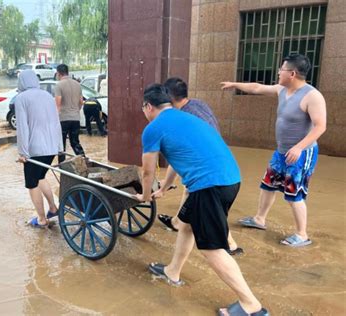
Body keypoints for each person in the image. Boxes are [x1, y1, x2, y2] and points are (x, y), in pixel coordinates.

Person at [136, 84, 268, 315]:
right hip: (230, 179)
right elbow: (180, 159)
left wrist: (145, 196)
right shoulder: (186, 117)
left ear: (148, 106)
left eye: (143, 109)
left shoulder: (153, 128)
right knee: (186, 225)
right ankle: (172, 271)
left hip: (209, 186)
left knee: (211, 248)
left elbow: (147, 172)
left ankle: (251, 305)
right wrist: (164, 189)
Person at [221, 54, 327, 247]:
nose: (278, 72)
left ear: (292, 73)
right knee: (268, 185)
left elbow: (320, 127)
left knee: (294, 194)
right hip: (282, 152)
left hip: (301, 153)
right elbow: (257, 87)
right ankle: (259, 219)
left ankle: (302, 234)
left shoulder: (312, 96)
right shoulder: (282, 90)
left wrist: (298, 147)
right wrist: (235, 84)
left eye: (282, 69)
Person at [156, 77, 242, 256]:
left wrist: (164, 187)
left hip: (208, 170)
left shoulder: (182, 118)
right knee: (191, 196)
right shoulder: (198, 104)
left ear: (169, 99)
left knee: (208, 208)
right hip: (219, 160)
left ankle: (230, 244)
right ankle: (178, 223)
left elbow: (177, 157)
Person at [15, 69, 62, 227]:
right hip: (51, 148)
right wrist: (59, 146)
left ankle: (41, 219)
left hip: (35, 150)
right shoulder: (48, 96)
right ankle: (53, 208)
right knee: (40, 177)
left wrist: (23, 153)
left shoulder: (21, 98)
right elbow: (56, 122)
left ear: (21, 82)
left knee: (32, 183)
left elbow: (22, 127)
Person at [55, 64, 85, 163]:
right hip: (76, 118)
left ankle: (61, 166)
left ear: (58, 73)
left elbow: (58, 104)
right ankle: (84, 161)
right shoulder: (77, 84)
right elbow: (81, 102)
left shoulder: (59, 85)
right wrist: (76, 111)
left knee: (61, 144)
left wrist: (55, 118)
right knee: (75, 142)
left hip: (63, 119)